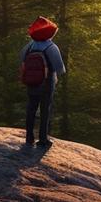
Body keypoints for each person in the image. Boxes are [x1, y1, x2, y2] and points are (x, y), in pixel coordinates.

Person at [19, 16, 66, 147]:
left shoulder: (29, 47)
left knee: (31, 108)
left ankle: (29, 138)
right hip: (47, 82)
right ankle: (43, 139)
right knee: (45, 109)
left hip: (31, 82)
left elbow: (22, 60)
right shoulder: (51, 47)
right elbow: (60, 69)